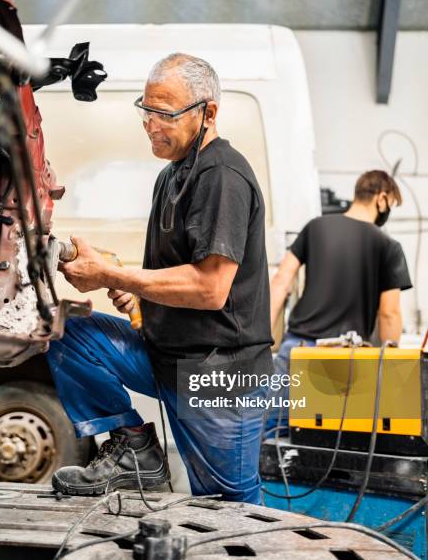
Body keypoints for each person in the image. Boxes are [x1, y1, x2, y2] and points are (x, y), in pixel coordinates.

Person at [47, 53, 273, 504]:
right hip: (165, 357)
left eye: (165, 114)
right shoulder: (171, 176)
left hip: (217, 378)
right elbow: (172, 271)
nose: (151, 125)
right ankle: (135, 449)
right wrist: (141, 297)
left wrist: (115, 275)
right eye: (146, 111)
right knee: (68, 333)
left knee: (230, 514)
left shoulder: (221, 176)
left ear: (208, 113)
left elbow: (211, 289)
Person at [267, 170, 412, 433]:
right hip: (345, 364)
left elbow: (281, 280)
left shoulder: (316, 227)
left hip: (297, 351)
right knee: (330, 451)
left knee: (270, 442)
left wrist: (262, 338)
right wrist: (390, 371)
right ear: (381, 198)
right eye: (390, 204)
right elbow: (389, 313)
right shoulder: (389, 246)